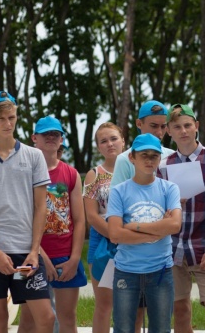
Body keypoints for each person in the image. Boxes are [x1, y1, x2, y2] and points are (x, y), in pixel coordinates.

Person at [0, 91, 54, 333]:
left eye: (12, 118)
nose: (8, 124)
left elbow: (41, 208)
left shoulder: (34, 156)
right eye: (1, 119)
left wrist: (34, 251)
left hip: (24, 256)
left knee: (45, 317)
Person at [156, 104, 205, 333]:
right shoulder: (163, 166)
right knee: (180, 310)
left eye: (187, 125)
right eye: (177, 127)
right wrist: (171, 208)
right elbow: (157, 212)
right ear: (168, 131)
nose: (183, 131)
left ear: (196, 126)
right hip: (174, 248)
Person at [106, 133, 182, 333]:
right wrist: (158, 230)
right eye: (144, 155)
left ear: (160, 158)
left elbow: (175, 225)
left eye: (154, 156)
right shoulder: (119, 191)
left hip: (161, 271)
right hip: (127, 270)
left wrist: (133, 226)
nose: (149, 160)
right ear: (132, 157)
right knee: (123, 329)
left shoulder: (169, 188)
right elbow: (115, 234)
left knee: (161, 328)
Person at [18, 116, 87, 333]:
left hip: (65, 256)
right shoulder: (23, 174)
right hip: (30, 256)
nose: (50, 137)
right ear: (34, 138)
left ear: (61, 139)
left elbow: (79, 220)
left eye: (55, 134)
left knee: (68, 319)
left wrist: (74, 259)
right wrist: (40, 256)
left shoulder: (71, 173)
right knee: (28, 320)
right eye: (45, 134)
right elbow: (21, 222)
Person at [83, 122, 125, 333]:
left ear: (123, 141)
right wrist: (114, 234)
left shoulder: (136, 171)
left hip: (133, 242)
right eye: (104, 141)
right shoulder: (94, 175)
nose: (110, 144)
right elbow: (91, 215)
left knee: (131, 305)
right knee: (104, 304)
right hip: (103, 243)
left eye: (114, 138)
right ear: (98, 147)